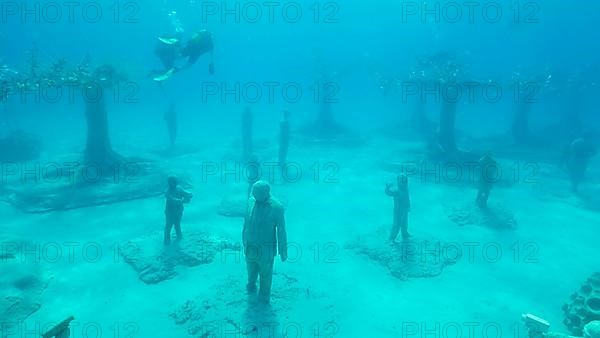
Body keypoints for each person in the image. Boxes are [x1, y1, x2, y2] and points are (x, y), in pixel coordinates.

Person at [242, 181, 287, 304]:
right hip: (250, 246)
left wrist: (283, 251)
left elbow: (281, 231)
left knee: (265, 274)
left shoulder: (277, 207)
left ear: (265, 193)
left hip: (265, 250)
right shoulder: (251, 201)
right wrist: (244, 239)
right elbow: (246, 221)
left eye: (256, 193)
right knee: (250, 268)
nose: (253, 194)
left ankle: (264, 297)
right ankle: (251, 285)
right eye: (253, 192)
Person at [164, 175, 193, 245]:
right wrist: (182, 200)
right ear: (170, 183)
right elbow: (172, 199)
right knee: (169, 225)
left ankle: (179, 237)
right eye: (173, 182)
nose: (175, 183)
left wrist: (189, 195)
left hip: (179, 211)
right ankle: (166, 240)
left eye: (175, 181)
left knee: (177, 224)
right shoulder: (167, 191)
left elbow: (186, 193)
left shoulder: (179, 188)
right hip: (170, 212)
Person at [385, 174, 411, 242]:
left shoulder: (406, 189)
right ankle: (391, 238)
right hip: (398, 211)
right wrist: (388, 187)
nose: (404, 182)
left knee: (405, 223)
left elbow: (407, 199)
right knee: (396, 225)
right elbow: (389, 193)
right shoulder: (397, 190)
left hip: (405, 210)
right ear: (398, 181)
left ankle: (405, 234)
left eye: (405, 180)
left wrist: (408, 207)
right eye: (402, 180)